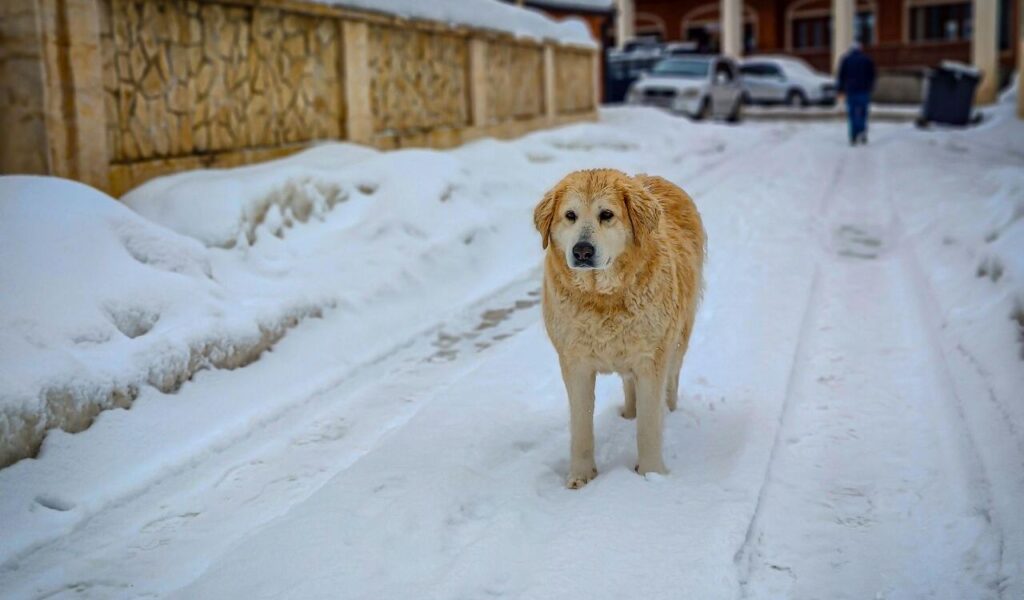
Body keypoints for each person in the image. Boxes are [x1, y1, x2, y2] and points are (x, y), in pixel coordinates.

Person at [836, 41, 876, 145]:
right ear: (860, 49)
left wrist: (840, 89)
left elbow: (841, 75)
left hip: (851, 90)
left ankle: (853, 136)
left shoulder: (846, 60)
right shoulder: (867, 60)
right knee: (863, 112)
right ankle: (862, 132)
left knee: (852, 113)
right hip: (864, 90)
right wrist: (871, 86)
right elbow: (872, 74)